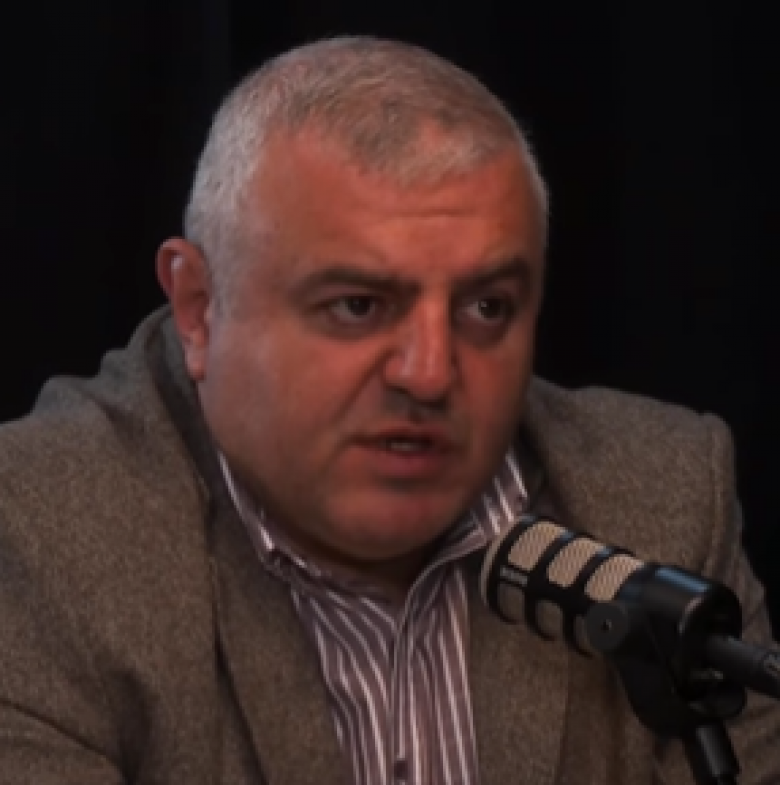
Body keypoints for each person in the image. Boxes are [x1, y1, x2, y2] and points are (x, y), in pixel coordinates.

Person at [0, 35, 777, 785]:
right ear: (200, 309)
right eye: (359, 304)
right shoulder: (40, 531)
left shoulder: (662, 499)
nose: (430, 373)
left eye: (485, 306)